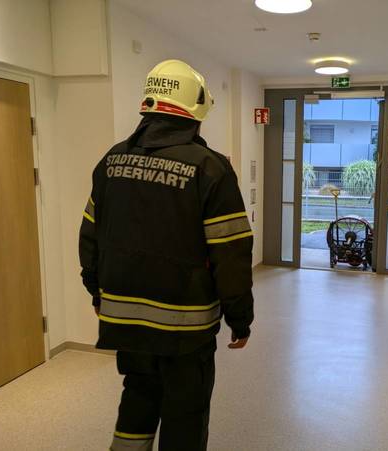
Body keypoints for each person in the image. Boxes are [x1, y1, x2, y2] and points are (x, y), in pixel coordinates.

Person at [79, 59, 254, 451]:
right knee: (185, 414)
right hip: (185, 327)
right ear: (196, 110)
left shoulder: (112, 161)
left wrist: (97, 293)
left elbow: (90, 236)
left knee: (138, 400)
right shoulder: (210, 168)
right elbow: (231, 253)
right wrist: (239, 318)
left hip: (125, 320)